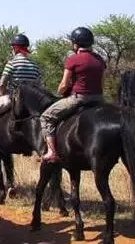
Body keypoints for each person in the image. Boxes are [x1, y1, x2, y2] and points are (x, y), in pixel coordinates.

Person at [40, 27, 106, 162]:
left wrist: (59, 93)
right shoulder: (100, 59)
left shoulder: (73, 59)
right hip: (99, 99)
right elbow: (102, 82)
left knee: (46, 117)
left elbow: (64, 84)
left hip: (79, 98)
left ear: (76, 43)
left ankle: (52, 152)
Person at [0, 33, 42, 122]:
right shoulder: (35, 66)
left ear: (16, 49)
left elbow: (2, 84)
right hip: (32, 102)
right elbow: (39, 86)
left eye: (12, 48)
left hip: (14, 99)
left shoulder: (12, 63)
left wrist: (1, 95)